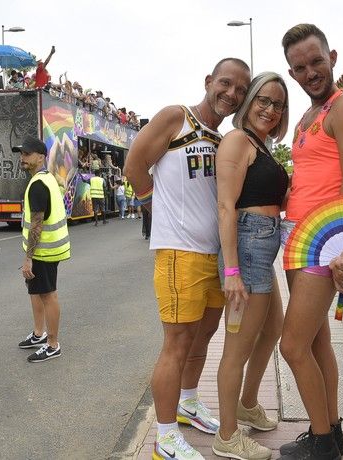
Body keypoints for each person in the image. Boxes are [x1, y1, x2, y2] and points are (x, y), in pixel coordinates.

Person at [124, 57, 251, 460]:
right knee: (176, 344)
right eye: (226, 84)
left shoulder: (223, 138)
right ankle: (164, 437)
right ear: (209, 80)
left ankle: (188, 402)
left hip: (214, 257)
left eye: (240, 90)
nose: (231, 94)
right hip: (180, 254)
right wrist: (155, 210)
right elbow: (134, 166)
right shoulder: (176, 118)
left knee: (203, 338)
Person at [277, 24, 343, 460]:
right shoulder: (306, 117)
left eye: (316, 61)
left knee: (291, 345)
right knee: (316, 343)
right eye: (300, 67)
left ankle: (320, 441)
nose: (310, 72)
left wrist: (342, 252)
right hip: (297, 240)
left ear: (332, 56)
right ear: (291, 73)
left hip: (321, 243)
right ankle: (332, 429)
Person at [211, 72, 290, 460]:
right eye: (263, 100)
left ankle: (247, 401)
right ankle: (227, 436)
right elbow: (226, 207)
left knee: (272, 328)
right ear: (249, 101)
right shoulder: (236, 140)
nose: (270, 110)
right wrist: (231, 272)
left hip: (262, 248)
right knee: (236, 349)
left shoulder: (261, 144)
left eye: (277, 104)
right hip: (246, 249)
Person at [14, 136, 70, 363]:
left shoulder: (38, 185)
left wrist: (28, 258)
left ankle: (52, 344)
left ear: (41, 157)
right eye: (21, 155)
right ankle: (39, 334)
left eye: (27, 154)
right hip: (44, 248)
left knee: (48, 295)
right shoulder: (46, 179)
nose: (22, 158)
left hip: (44, 251)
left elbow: (37, 224)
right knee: (35, 290)